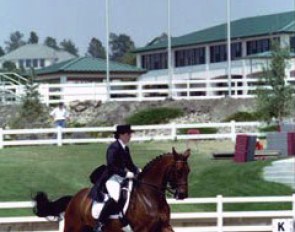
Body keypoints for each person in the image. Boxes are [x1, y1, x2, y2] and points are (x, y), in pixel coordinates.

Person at [94, 124, 140, 232]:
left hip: (122, 179)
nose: (130, 136)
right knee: (116, 197)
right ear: (121, 135)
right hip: (112, 178)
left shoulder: (125, 148)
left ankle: (123, 215)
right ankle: (100, 223)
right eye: (128, 134)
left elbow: (130, 164)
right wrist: (125, 174)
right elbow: (111, 166)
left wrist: (137, 170)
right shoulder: (113, 147)